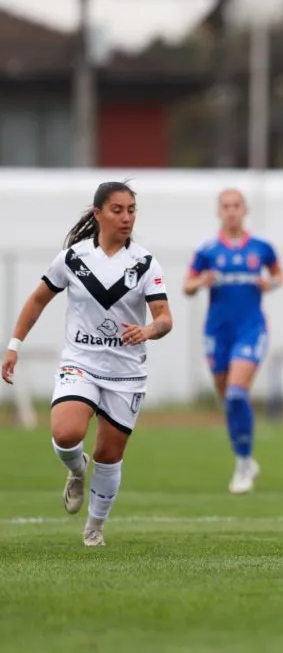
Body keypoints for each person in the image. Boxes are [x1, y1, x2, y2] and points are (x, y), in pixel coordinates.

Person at [2, 182, 173, 547]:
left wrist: (148, 330)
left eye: (131, 210)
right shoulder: (72, 260)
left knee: (109, 455)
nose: (126, 217)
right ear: (98, 214)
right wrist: (14, 345)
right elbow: (36, 301)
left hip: (126, 373)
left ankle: (94, 528)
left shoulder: (144, 263)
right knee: (65, 434)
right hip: (80, 363)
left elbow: (165, 318)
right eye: (117, 210)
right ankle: (76, 471)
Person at [183, 189, 283, 494]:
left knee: (238, 394)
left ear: (245, 210)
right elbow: (186, 286)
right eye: (225, 206)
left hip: (251, 329)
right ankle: (243, 458)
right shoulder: (208, 250)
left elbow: (279, 275)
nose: (231, 211)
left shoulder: (261, 247)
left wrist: (271, 283)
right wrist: (201, 282)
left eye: (236, 206)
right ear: (219, 211)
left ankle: (243, 465)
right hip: (218, 332)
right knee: (228, 402)